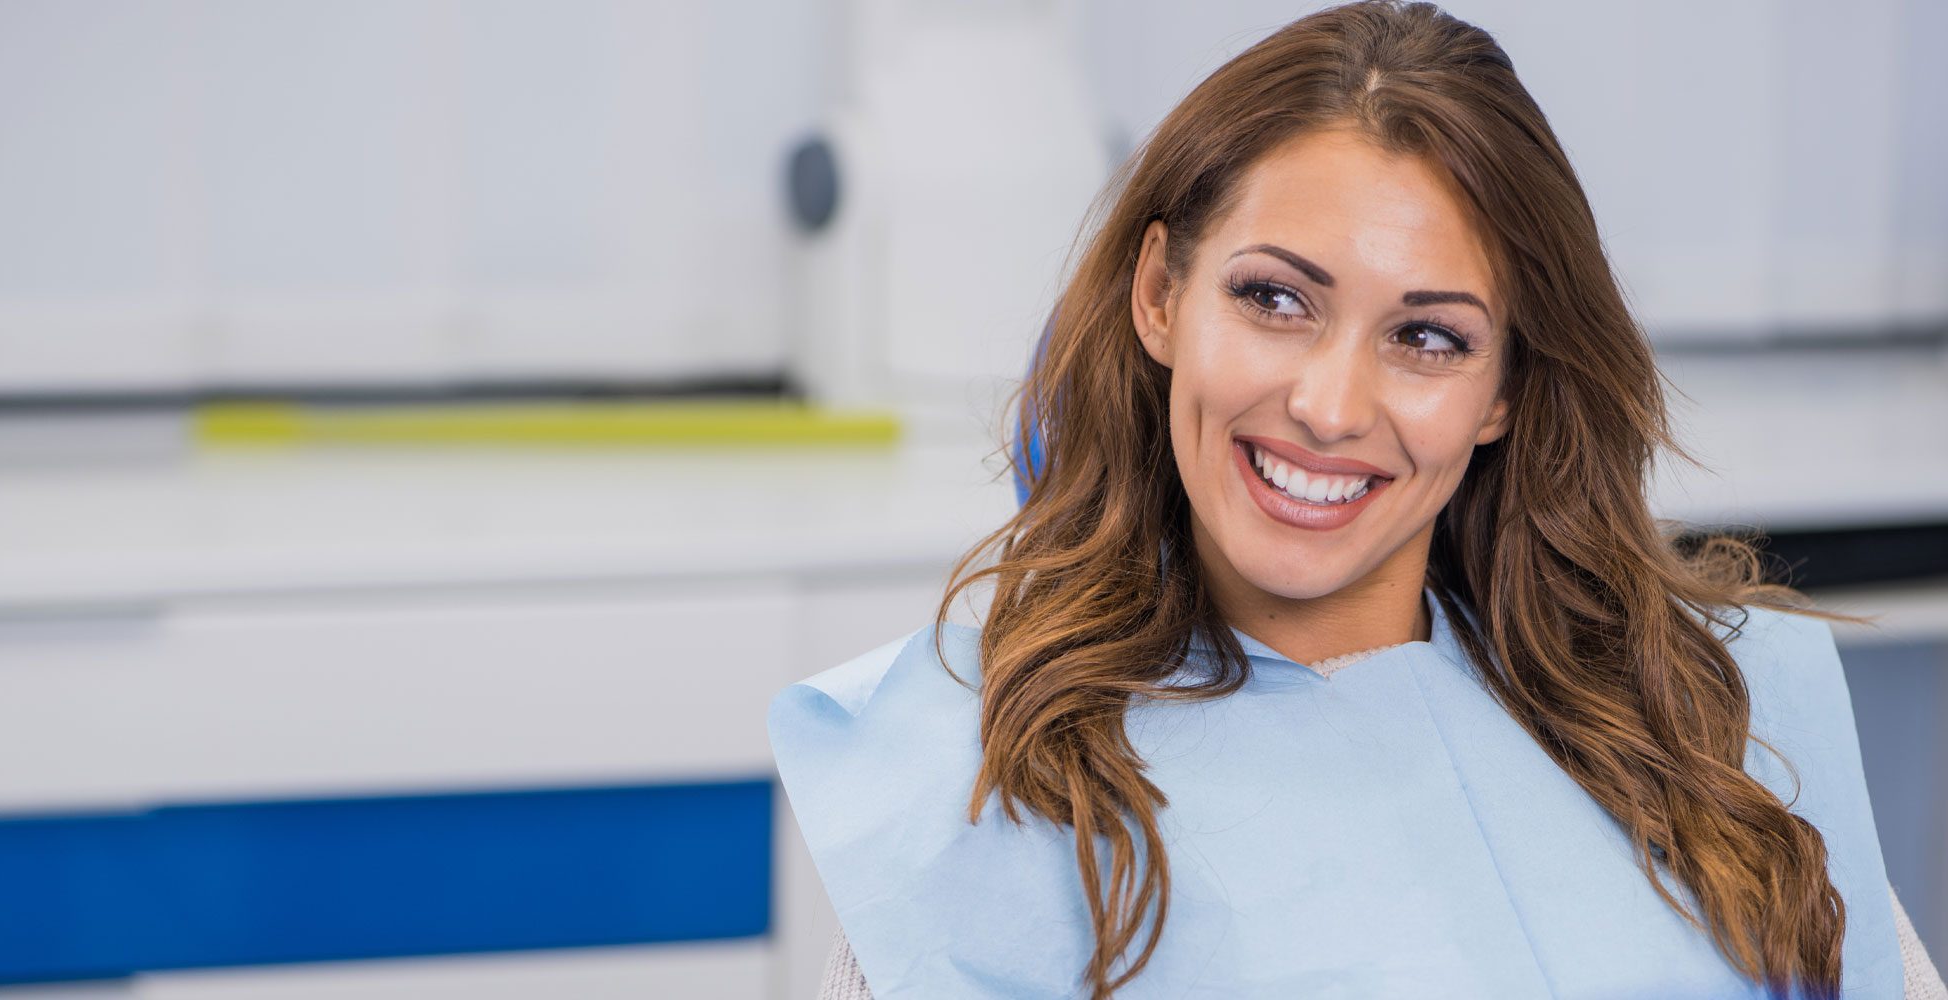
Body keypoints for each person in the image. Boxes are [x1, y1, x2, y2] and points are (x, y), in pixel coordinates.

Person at [768, 2, 1946, 997]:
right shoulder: (982, 786)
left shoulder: (1702, 725)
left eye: (1427, 336)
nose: (1330, 407)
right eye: (1275, 299)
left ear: (1500, 392)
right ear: (1158, 296)